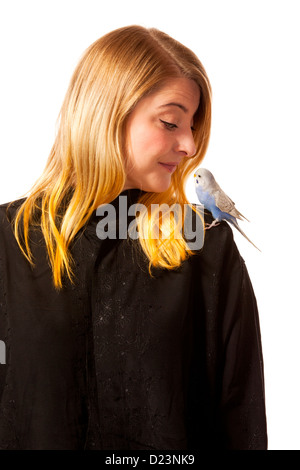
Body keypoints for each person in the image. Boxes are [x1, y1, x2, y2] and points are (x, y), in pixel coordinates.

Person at [0, 25, 267, 450]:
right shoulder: (7, 241)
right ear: (107, 112)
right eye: (170, 121)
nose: (189, 145)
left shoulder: (204, 246)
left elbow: (239, 415)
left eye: (193, 126)